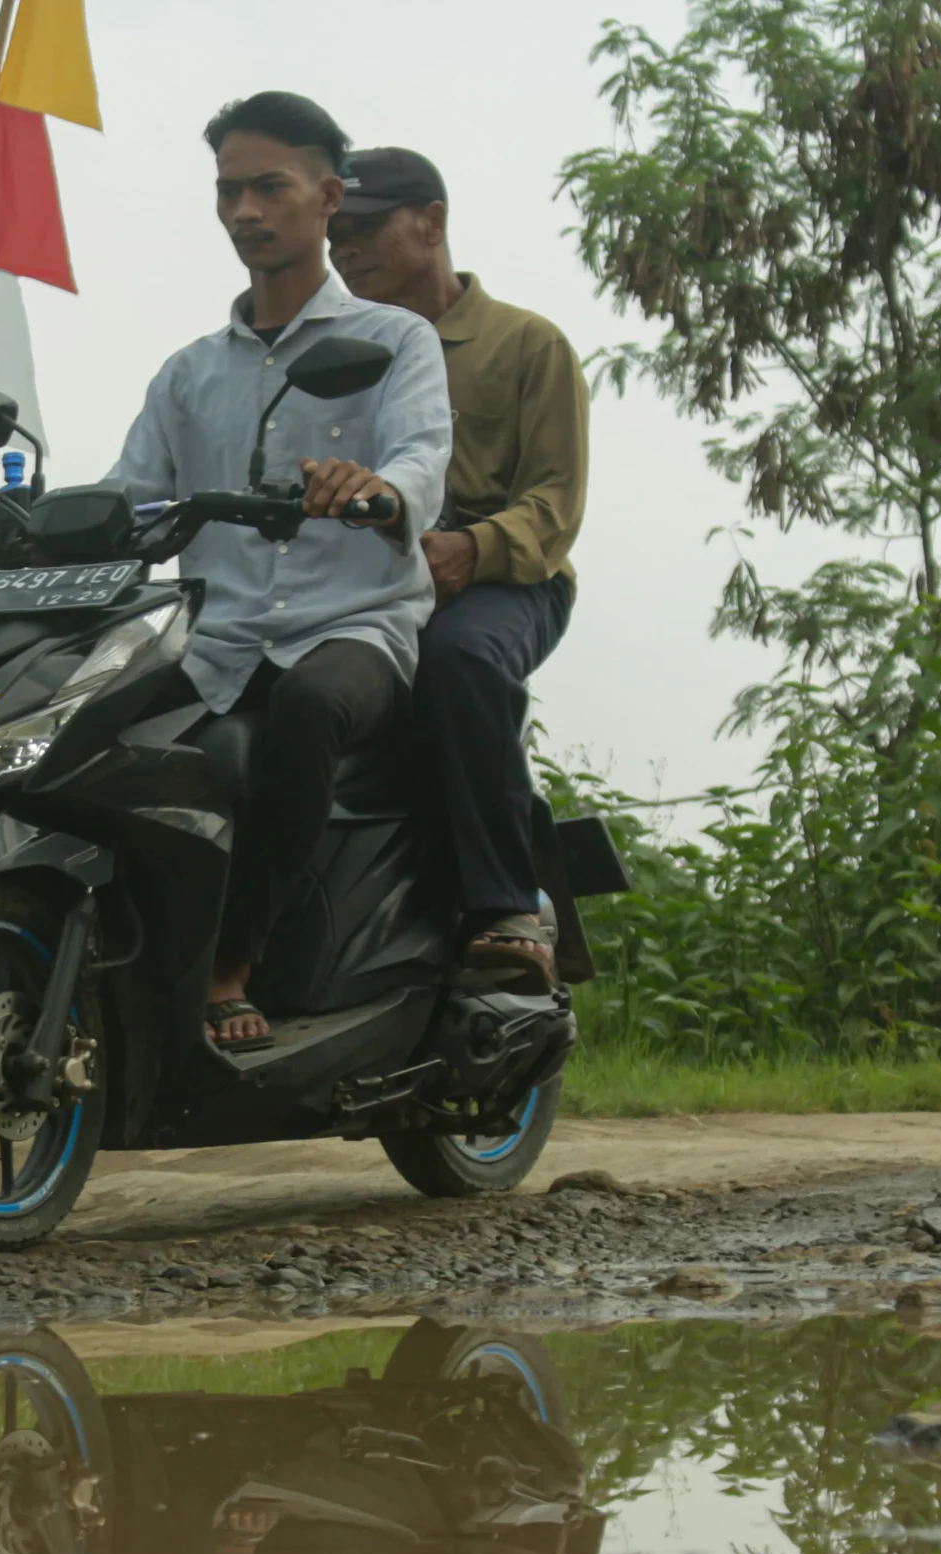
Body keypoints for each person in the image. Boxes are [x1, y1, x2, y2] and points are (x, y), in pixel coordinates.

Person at [79, 93, 449, 1051]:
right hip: (217, 635)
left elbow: (421, 460)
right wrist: (13, 527)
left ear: (328, 198)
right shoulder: (189, 373)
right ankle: (93, 949)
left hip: (353, 626)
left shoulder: (396, 340)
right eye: (228, 190)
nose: (245, 210)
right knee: (91, 721)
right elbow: (133, 497)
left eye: (268, 187)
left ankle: (233, 962)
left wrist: (373, 488)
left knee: (307, 707)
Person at [327, 147, 586, 990]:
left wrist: (471, 550)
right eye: (335, 236)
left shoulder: (527, 345)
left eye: (364, 229)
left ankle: (509, 907)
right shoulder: (330, 356)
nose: (346, 250)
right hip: (367, 580)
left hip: (508, 582)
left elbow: (555, 504)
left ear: (431, 223)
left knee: (460, 660)